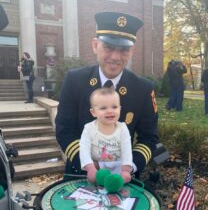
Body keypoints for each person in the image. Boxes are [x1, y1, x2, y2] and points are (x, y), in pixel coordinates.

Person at [55, 11, 159, 178]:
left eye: (124, 49)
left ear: (131, 51)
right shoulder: (75, 80)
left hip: (123, 179)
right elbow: (64, 130)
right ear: (95, 45)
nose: (115, 57)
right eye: (109, 47)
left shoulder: (143, 88)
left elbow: (149, 137)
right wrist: (89, 166)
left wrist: (129, 167)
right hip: (80, 174)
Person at [80, 87, 135, 184]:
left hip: (119, 169)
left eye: (114, 107)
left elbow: (127, 150)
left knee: (116, 188)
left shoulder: (122, 128)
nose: (110, 111)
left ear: (120, 109)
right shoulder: (89, 129)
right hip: (97, 169)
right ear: (93, 112)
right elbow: (84, 150)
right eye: (103, 108)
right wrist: (90, 168)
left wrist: (126, 170)